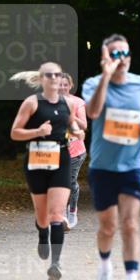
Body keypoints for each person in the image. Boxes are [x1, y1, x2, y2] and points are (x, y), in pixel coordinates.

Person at [82, 34, 140, 280]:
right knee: (108, 226)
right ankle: (104, 268)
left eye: (124, 53)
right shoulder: (92, 83)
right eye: (114, 54)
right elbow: (92, 112)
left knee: (130, 224)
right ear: (105, 58)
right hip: (103, 166)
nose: (121, 59)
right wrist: (105, 76)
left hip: (134, 164)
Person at [10, 63, 81, 280]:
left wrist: (76, 131)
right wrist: (38, 132)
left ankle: (55, 264)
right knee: (42, 217)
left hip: (61, 158)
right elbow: (15, 133)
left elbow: (72, 124)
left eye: (57, 75)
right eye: (48, 75)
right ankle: (42, 233)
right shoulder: (31, 103)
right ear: (41, 79)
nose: (53, 78)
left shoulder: (67, 103)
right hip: (36, 159)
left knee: (57, 215)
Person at [59, 72, 87, 228]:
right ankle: (61, 214)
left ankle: (72, 210)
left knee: (69, 182)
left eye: (65, 84)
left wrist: (70, 115)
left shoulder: (78, 102)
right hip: (56, 149)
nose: (62, 87)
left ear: (70, 86)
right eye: (59, 84)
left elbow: (84, 125)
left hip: (76, 150)